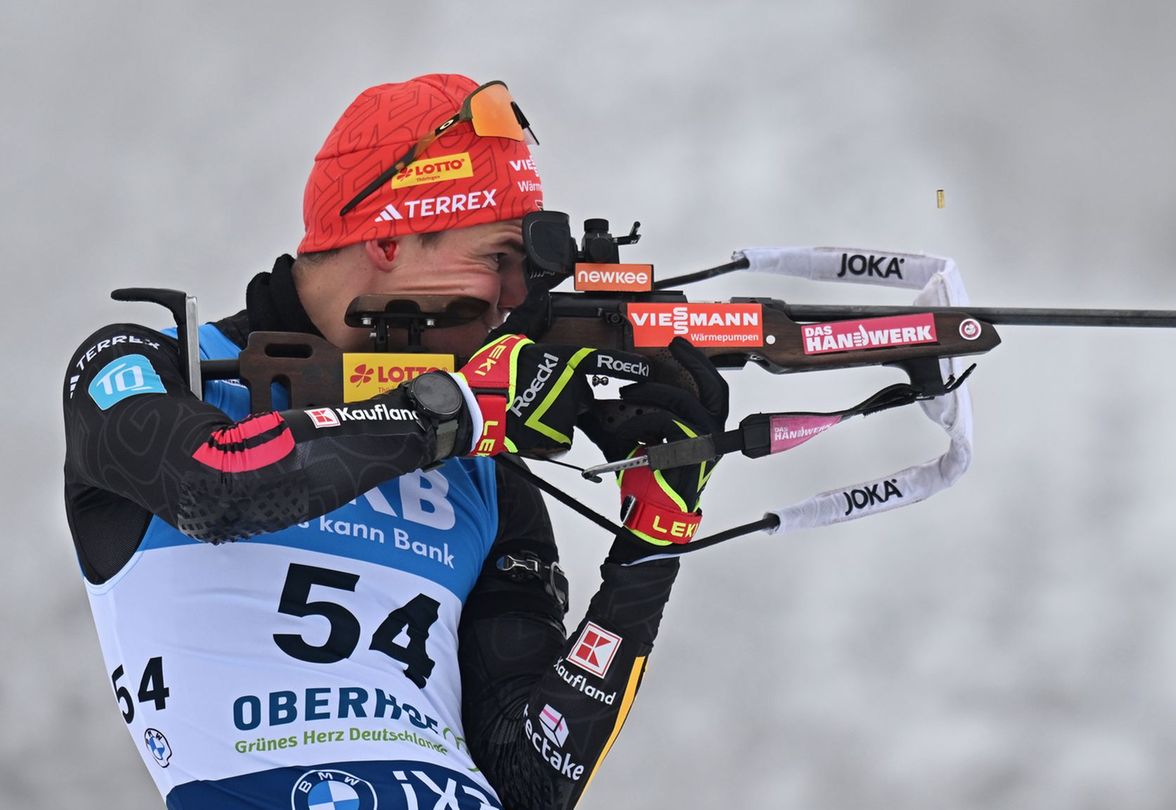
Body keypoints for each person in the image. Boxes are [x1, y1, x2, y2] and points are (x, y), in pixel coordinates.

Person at [61, 74, 727, 810]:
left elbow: (528, 774)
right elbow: (217, 487)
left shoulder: (482, 466)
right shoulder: (153, 367)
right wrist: (452, 412)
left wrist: (650, 546)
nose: (515, 301)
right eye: (496, 260)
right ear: (384, 237)